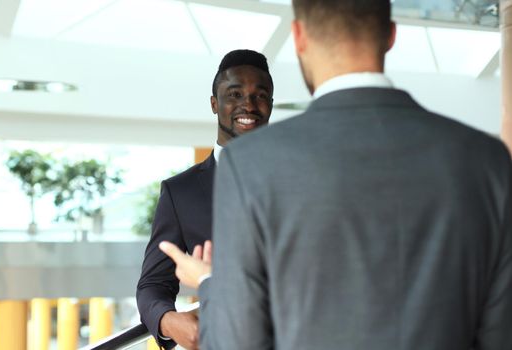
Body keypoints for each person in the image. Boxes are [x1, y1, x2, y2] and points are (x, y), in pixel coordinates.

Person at [161, 0, 512, 349]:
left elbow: (239, 343)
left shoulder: (250, 164)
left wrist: (209, 281)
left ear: (299, 37)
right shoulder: (487, 159)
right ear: (390, 35)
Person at [136, 49, 274, 350]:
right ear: (215, 103)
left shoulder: (301, 176)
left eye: (259, 95)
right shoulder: (180, 192)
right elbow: (153, 284)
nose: (247, 105)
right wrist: (169, 321)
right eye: (234, 94)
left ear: (271, 104)